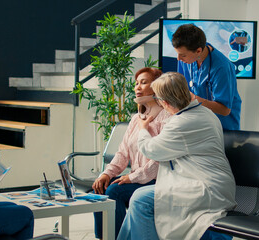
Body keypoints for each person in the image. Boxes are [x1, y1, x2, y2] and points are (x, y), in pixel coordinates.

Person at [117, 72, 236, 240]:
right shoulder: (203, 112)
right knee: (139, 199)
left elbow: (150, 148)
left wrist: (143, 128)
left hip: (204, 188)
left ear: (164, 102)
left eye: (158, 99)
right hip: (205, 181)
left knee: (141, 199)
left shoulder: (183, 122)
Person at [92, 67, 171, 239]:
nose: (137, 87)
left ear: (157, 86)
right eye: (136, 83)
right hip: (138, 179)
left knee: (114, 192)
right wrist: (107, 174)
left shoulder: (167, 116)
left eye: (143, 82)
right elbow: (122, 153)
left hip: (157, 181)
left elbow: (161, 159)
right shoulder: (136, 118)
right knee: (98, 191)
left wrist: (132, 178)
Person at [172, 23, 242, 130]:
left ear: (198, 51)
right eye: (177, 53)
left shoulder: (222, 67)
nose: (178, 58)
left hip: (222, 127)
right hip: (198, 123)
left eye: (183, 55)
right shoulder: (186, 59)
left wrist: (193, 98)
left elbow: (224, 110)